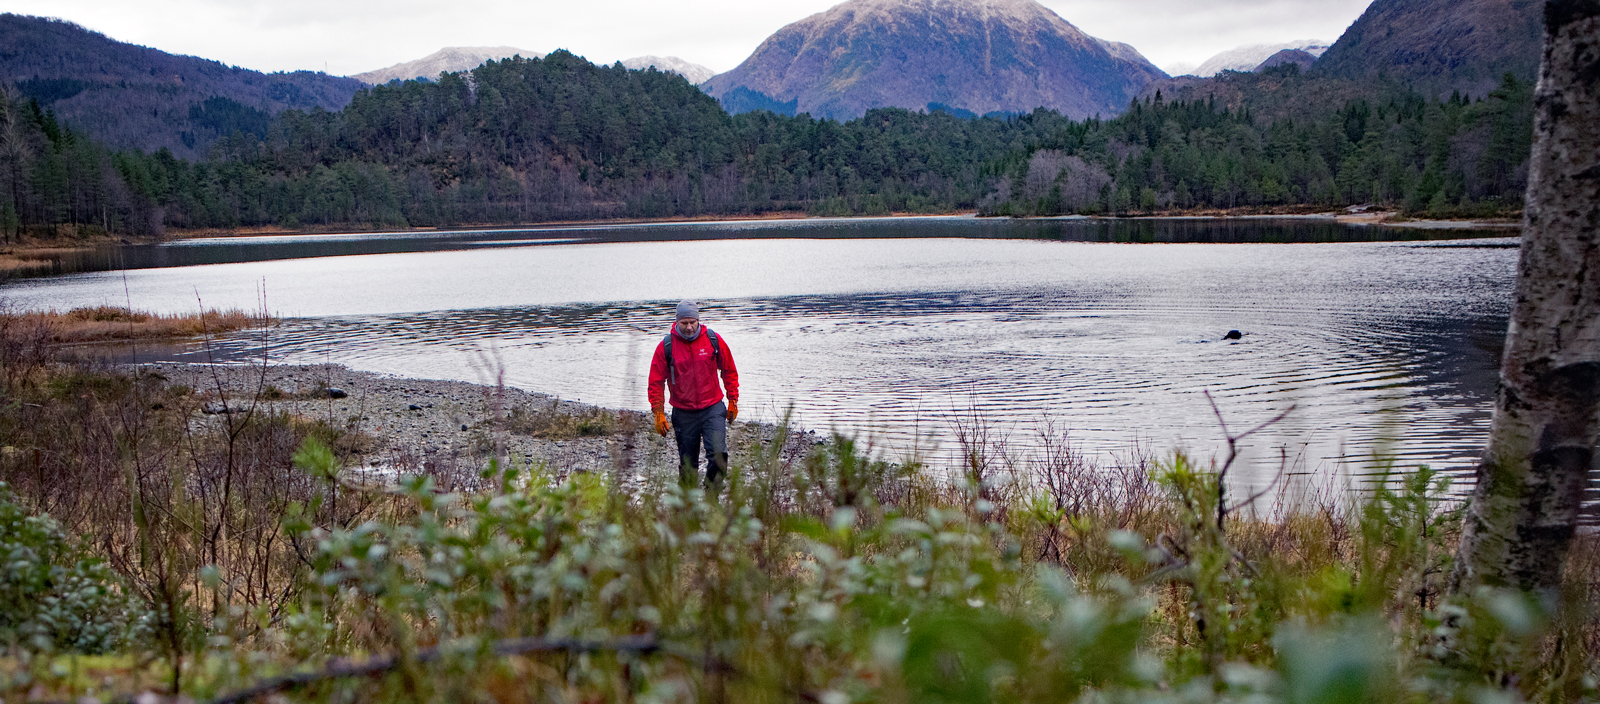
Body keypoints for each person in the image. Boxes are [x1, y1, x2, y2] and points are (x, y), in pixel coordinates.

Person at [648, 300, 739, 488]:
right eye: (684, 323)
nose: (689, 327)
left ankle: (711, 497)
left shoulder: (713, 340)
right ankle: (687, 506)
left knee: (718, 456)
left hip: (712, 407)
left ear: (698, 320)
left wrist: (733, 400)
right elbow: (656, 382)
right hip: (683, 412)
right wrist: (658, 412)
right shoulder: (666, 346)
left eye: (693, 322)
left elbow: (729, 370)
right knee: (688, 464)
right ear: (677, 322)